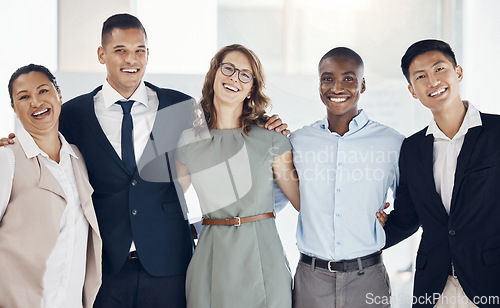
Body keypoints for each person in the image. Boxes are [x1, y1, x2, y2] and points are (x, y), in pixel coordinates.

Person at [175, 44, 300, 308]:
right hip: (210, 262)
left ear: (252, 88)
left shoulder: (272, 138)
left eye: (245, 74)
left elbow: (304, 203)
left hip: (264, 261)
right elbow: (167, 202)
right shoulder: (189, 141)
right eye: (228, 68)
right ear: (214, 73)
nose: (234, 78)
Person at [281, 47, 404, 308]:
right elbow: (272, 200)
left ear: (363, 85)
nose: (337, 87)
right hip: (311, 280)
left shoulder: (392, 142)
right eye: (327, 78)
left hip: (368, 278)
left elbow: (412, 206)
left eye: (348, 78)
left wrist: (385, 228)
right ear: (319, 85)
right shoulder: (298, 141)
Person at [383, 39, 500, 307]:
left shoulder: (496, 134)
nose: (432, 81)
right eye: (421, 76)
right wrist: (376, 228)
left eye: (439, 69)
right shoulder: (411, 148)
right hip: (433, 288)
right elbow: (408, 218)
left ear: (457, 72)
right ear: (412, 90)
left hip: (491, 282)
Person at [0, 64, 102, 308]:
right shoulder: (7, 159)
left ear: (59, 95)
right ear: (14, 108)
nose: (36, 102)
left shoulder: (77, 158)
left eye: (43, 91)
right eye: (24, 97)